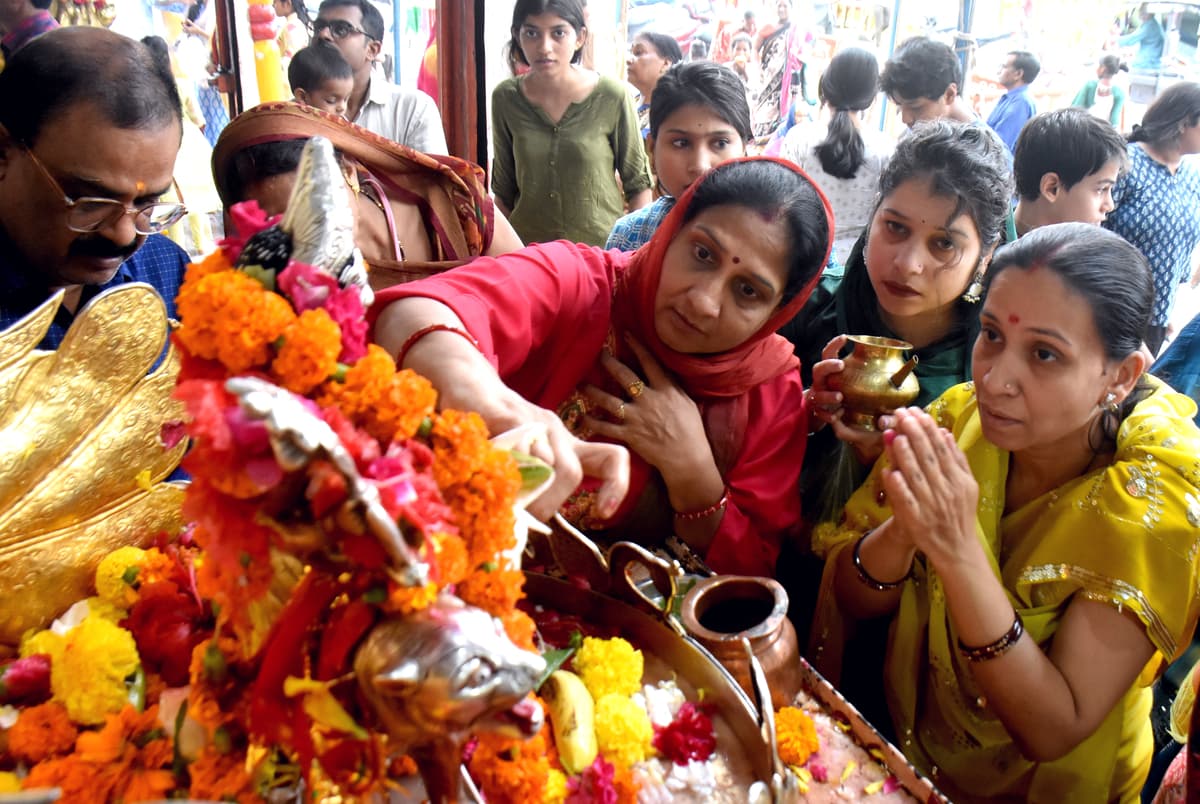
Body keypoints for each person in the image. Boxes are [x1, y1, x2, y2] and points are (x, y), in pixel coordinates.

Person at [810, 222, 1200, 802]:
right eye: (990, 334)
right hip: (907, 748)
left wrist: (957, 548)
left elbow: (1055, 725)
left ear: (1119, 377)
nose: (994, 378)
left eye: (1044, 353)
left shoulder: (1154, 499)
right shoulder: (959, 418)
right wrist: (909, 530)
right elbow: (852, 596)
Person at [370, 158, 833, 578]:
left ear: (779, 311)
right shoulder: (580, 283)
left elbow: (753, 575)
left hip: (639, 645)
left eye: (748, 291)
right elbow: (413, 314)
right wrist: (500, 409)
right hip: (456, 583)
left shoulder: (769, 390)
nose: (704, 301)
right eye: (702, 254)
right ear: (671, 231)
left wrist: (694, 473)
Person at [0, 27, 189, 349]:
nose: (125, 235)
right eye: (92, 202)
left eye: (148, 202)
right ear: (3, 153)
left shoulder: (168, 271)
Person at [212, 102, 523, 289]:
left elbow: (530, 289)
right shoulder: (277, 285)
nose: (313, 227)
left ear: (348, 170)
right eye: (282, 224)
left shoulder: (456, 203)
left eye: (320, 204)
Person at [491, 0, 651, 246]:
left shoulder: (611, 95)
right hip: (531, 256)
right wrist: (508, 255)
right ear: (517, 35)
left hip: (601, 255)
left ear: (579, 37)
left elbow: (638, 185)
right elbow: (503, 191)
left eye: (558, 33)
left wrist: (632, 253)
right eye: (531, 33)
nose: (545, 47)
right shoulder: (506, 98)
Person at [607, 60, 751, 251]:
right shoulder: (628, 237)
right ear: (652, 149)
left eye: (720, 143)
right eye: (681, 143)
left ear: (744, 149)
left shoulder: (773, 239)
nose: (700, 166)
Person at [1102, 82, 1200, 355]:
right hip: (1110, 310)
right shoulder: (1126, 164)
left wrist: (1165, 311)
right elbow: (1093, 229)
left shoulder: (1192, 175)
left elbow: (1181, 247)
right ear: (1184, 123)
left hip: (1154, 319)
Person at [781, 47, 893, 264]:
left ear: (825, 86)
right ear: (871, 97)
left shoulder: (799, 138)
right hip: (857, 268)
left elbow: (782, 203)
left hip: (805, 263)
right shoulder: (885, 149)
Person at [313, 0, 447, 154]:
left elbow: (432, 177)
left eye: (341, 29)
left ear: (372, 49)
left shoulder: (412, 109)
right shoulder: (297, 111)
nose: (323, 35)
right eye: (318, 28)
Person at [1012, 108, 1127, 236]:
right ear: (1052, 188)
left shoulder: (1085, 249)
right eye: (1101, 189)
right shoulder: (989, 249)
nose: (1109, 205)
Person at [879, 36, 976, 128]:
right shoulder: (927, 131)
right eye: (899, 108)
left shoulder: (981, 144)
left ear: (949, 94)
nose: (905, 119)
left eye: (916, 107)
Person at [753, 0, 807, 144]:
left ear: (792, 8)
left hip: (788, 81)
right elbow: (754, 48)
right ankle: (759, 143)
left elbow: (802, 56)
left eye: (785, 6)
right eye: (779, 5)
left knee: (783, 114)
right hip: (767, 78)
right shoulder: (768, 28)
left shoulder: (797, 30)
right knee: (763, 112)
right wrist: (758, 68)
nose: (782, 9)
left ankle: (773, 145)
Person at [625, 31, 683, 139]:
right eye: (631, 52)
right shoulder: (628, 102)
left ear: (665, 63)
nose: (628, 60)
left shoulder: (673, 113)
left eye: (638, 53)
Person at [986, 50, 1040, 155]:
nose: (998, 71)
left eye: (1004, 67)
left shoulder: (1020, 103)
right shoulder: (1012, 98)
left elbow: (999, 145)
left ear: (1018, 74)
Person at [288, 41, 353, 118]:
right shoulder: (285, 124)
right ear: (303, 97)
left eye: (346, 99)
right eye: (331, 101)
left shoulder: (340, 123)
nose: (342, 108)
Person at [1072, 54, 1128, 128]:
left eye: (1099, 66)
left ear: (1103, 68)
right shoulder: (1119, 93)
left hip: (1084, 128)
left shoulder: (1090, 85)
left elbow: (1076, 108)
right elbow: (1114, 120)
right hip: (1104, 132)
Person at [1120, 4, 1165, 72]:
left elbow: (1131, 40)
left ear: (1148, 13)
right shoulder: (1152, 23)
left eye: (1142, 12)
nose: (1140, 15)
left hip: (1147, 64)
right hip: (1151, 60)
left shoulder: (1150, 26)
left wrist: (1114, 40)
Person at [273, 0, 311, 66]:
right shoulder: (294, 24)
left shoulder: (292, 27)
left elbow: (289, 59)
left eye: (275, 2)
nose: (273, 5)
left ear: (287, 4)